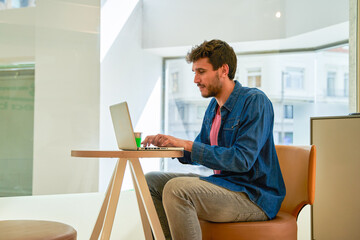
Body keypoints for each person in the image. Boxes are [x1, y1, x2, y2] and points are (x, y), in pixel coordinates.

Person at [142, 39, 286, 240]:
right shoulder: (213, 108)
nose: (195, 79)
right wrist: (171, 144)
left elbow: (241, 160)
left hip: (253, 196)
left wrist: (188, 144)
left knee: (177, 190)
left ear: (223, 70)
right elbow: (201, 150)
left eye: (201, 72)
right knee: (150, 181)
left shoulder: (254, 101)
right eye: (194, 72)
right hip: (224, 184)